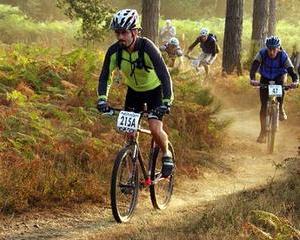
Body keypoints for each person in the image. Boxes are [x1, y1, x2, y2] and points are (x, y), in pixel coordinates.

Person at [97, 9, 174, 177]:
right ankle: (132, 177)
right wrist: (102, 99)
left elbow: (164, 76)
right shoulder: (114, 52)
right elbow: (104, 77)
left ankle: (166, 155)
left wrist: (166, 102)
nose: (120, 37)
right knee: (129, 132)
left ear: (134, 32)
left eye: (124, 32)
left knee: (154, 127)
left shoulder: (148, 48)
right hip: (134, 92)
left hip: (155, 91)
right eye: (117, 33)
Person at [250, 36, 299, 143]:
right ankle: (262, 133)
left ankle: (280, 108)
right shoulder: (262, 53)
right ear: (266, 48)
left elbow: (291, 70)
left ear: (278, 48)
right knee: (263, 106)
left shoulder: (283, 55)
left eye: (274, 49)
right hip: (265, 77)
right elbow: (254, 66)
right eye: (269, 49)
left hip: (279, 77)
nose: (271, 52)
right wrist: (252, 79)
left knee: (281, 88)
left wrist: (295, 81)